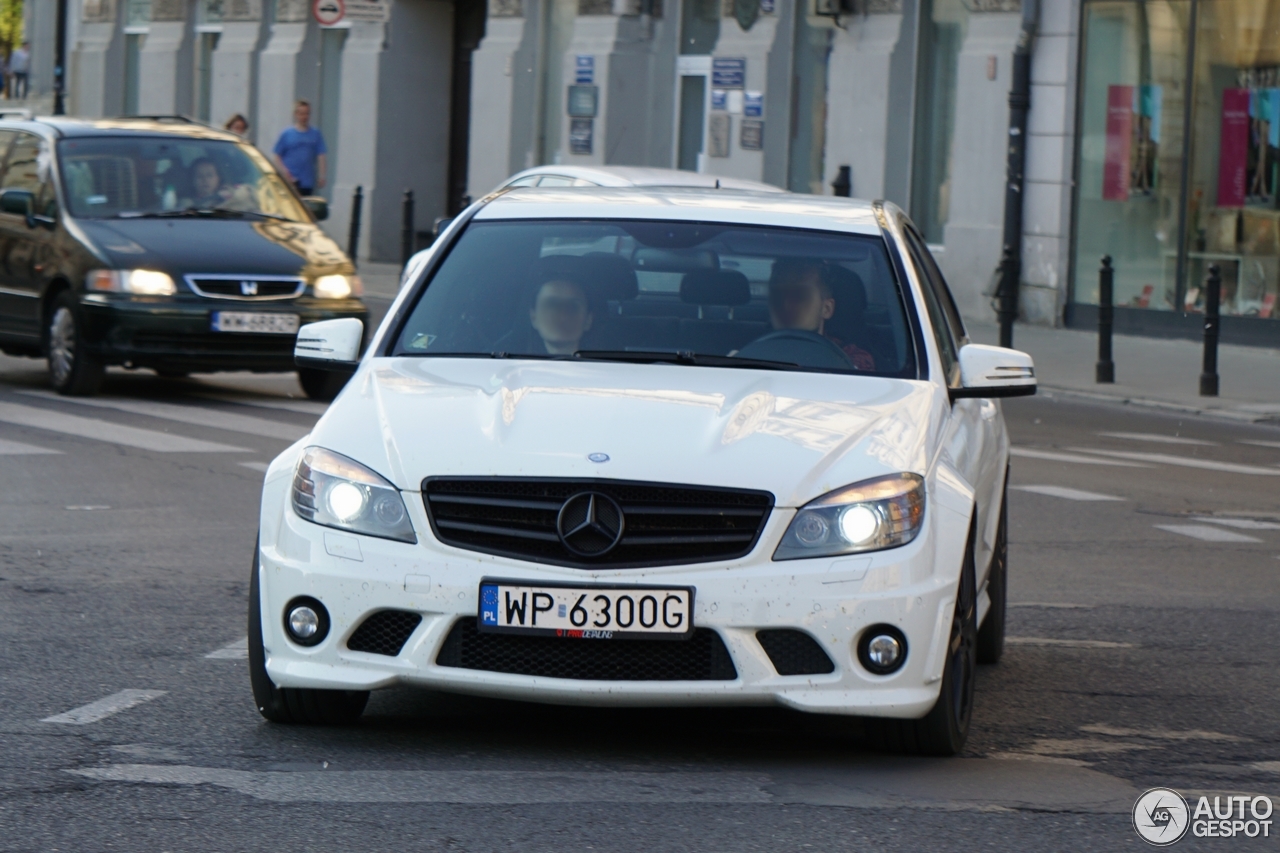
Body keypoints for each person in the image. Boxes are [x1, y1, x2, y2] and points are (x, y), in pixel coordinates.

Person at [766, 258, 875, 371]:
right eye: (778, 296)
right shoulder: (753, 353)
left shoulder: (850, 358)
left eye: (800, 296)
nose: (786, 304)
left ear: (826, 309)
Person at [272, 100, 326, 195]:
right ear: (296, 114)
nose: (304, 117)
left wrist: (322, 175)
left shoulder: (315, 134)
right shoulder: (286, 134)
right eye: (301, 114)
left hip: (307, 182)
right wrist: (285, 172)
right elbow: (277, 156)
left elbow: (321, 155)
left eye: (307, 113)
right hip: (289, 182)